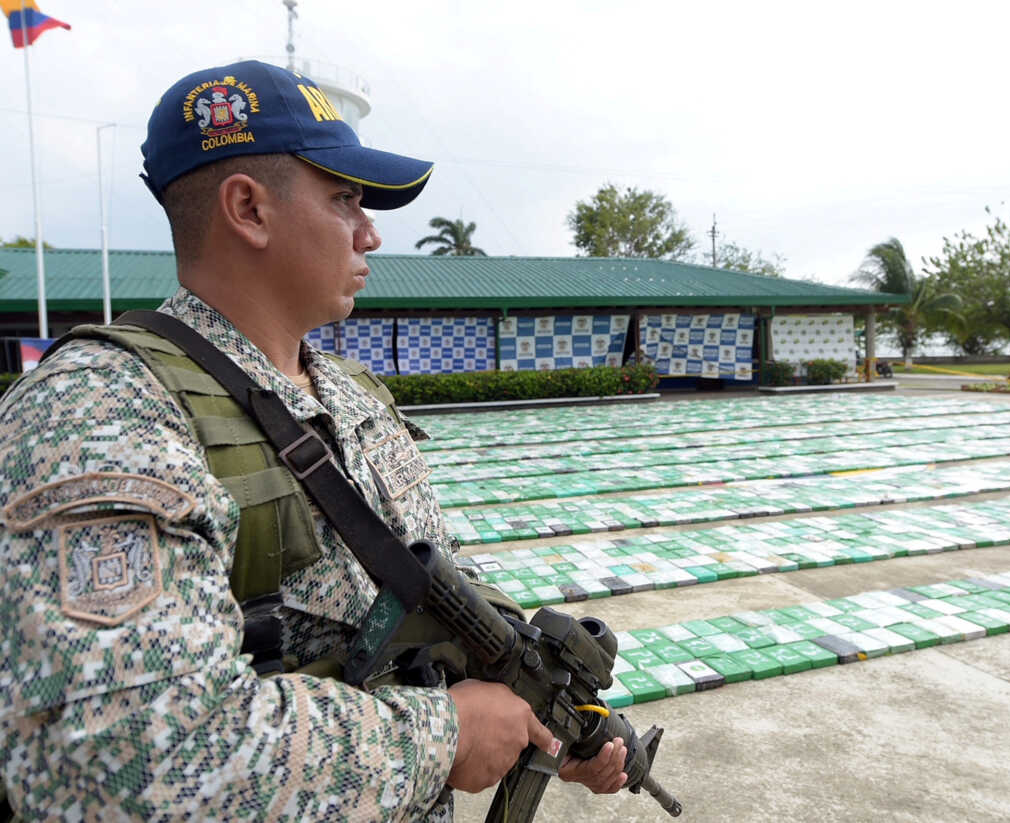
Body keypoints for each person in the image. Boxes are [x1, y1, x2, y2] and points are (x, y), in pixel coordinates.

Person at [0, 60, 625, 821]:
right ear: (249, 210)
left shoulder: (354, 392)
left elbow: (432, 576)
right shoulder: (100, 411)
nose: (370, 230)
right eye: (345, 199)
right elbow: (119, 765)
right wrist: (443, 734)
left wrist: (550, 706)